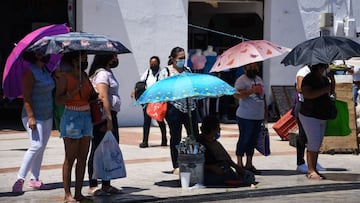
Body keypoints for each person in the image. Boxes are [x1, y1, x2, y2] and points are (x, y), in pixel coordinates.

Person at [12, 52, 54, 194]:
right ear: (35, 55)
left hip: (47, 115)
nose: (46, 54)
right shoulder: (29, 72)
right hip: (33, 116)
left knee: (42, 147)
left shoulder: (46, 70)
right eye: (42, 52)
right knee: (36, 145)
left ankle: (34, 178)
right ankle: (20, 179)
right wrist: (31, 117)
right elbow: (27, 96)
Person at [55, 52, 93, 202]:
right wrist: (73, 91)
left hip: (86, 117)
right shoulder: (65, 77)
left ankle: (78, 193)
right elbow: (58, 100)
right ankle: (67, 194)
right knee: (70, 158)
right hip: (71, 116)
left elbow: (90, 95)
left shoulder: (84, 75)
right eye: (83, 57)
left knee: (83, 158)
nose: (85, 60)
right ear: (74, 60)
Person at [158, 46, 199, 174]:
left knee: (194, 135)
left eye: (184, 58)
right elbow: (161, 89)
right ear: (173, 59)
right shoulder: (166, 72)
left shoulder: (188, 70)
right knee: (175, 136)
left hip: (190, 107)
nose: (182, 61)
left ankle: (194, 160)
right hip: (174, 108)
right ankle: (176, 164)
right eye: (180, 58)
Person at [87, 54, 122, 195]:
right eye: (114, 56)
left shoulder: (108, 72)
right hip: (104, 116)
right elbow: (103, 96)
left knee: (109, 150)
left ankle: (106, 184)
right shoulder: (102, 74)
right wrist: (108, 119)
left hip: (111, 114)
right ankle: (93, 184)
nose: (116, 59)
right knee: (97, 149)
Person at [298, 63, 334, 180]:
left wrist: (332, 78)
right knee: (313, 142)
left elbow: (331, 91)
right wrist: (324, 90)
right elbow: (307, 93)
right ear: (319, 68)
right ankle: (311, 170)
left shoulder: (324, 79)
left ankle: (314, 167)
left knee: (317, 143)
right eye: (324, 67)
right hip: (310, 114)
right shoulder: (309, 79)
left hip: (321, 115)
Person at [198, 115, 255, 186]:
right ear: (212, 130)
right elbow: (193, 165)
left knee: (246, 176)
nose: (219, 130)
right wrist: (211, 168)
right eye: (218, 128)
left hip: (221, 169)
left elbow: (227, 159)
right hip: (205, 173)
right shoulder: (198, 144)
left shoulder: (214, 143)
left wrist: (239, 169)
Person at [233, 62, 265, 175]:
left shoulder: (259, 79)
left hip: (258, 115)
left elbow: (263, 97)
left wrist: (265, 113)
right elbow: (236, 94)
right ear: (245, 68)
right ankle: (239, 163)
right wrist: (251, 91)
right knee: (244, 139)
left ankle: (249, 163)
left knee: (253, 140)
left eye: (254, 66)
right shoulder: (241, 80)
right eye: (250, 67)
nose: (253, 69)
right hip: (245, 116)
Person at [293, 66, 326, 174]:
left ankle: (313, 162)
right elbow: (299, 88)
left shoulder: (322, 75)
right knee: (303, 135)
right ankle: (301, 162)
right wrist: (320, 90)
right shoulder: (303, 72)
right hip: (304, 107)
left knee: (314, 139)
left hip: (317, 109)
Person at [131, 56, 167, 148]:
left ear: (158, 64)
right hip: (147, 100)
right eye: (151, 64)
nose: (153, 65)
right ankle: (145, 141)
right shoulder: (147, 72)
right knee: (146, 121)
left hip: (158, 101)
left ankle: (164, 139)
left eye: (154, 64)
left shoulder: (162, 74)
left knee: (159, 120)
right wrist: (134, 90)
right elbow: (140, 82)